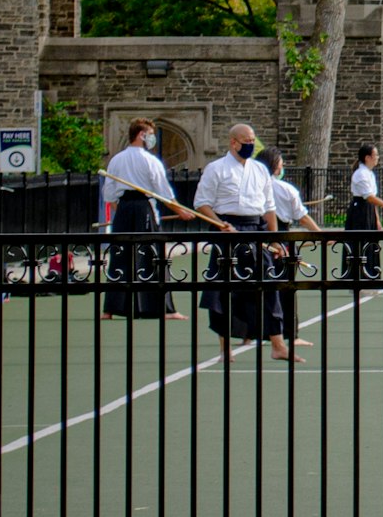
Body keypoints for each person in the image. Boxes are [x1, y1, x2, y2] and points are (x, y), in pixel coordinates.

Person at [194, 124, 297, 362]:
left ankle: (278, 345)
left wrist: (275, 240)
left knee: (269, 286)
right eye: (246, 140)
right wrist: (220, 224)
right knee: (224, 291)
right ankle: (225, 349)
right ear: (233, 142)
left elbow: (269, 208)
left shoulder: (260, 170)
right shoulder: (216, 168)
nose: (250, 143)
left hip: (256, 230)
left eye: (252, 139)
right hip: (228, 229)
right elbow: (201, 203)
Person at [101, 118, 194, 320]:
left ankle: (110, 310)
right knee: (152, 255)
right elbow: (164, 192)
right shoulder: (150, 161)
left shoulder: (116, 159)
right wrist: (181, 211)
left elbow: (109, 193)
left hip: (124, 208)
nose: (153, 139)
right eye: (151, 134)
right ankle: (165, 309)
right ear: (142, 135)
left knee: (121, 256)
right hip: (143, 208)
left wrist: (121, 211)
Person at [262, 146, 319, 347]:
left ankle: (251, 332)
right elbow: (302, 217)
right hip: (281, 240)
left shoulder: (253, 186)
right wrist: (320, 234)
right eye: (281, 164)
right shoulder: (284, 189)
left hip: (257, 238)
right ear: (275, 167)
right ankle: (290, 335)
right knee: (286, 288)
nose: (282, 167)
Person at [343, 144, 383, 280]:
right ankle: (357, 276)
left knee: (371, 243)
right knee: (360, 243)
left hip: (368, 210)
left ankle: (370, 275)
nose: (377, 158)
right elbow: (369, 197)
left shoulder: (369, 174)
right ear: (367, 157)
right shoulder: (360, 174)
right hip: (359, 211)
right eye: (376, 155)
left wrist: (377, 219)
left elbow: (372, 201)